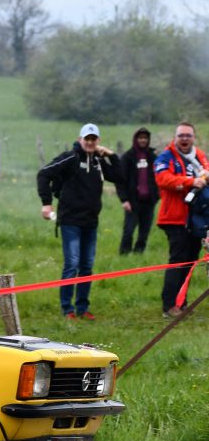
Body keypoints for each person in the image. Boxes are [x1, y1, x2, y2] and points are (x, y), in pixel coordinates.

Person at [37, 123, 121, 320]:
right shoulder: (70, 157)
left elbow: (119, 176)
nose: (90, 142)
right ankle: (68, 310)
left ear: (98, 141)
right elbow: (43, 174)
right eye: (87, 139)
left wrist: (111, 155)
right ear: (80, 139)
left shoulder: (99, 161)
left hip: (91, 222)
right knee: (72, 264)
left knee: (87, 266)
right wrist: (46, 204)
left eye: (93, 139)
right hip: (70, 221)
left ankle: (82, 308)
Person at [153, 122, 208, 318]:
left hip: (196, 219)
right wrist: (190, 182)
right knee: (177, 261)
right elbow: (163, 179)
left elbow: (206, 170)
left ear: (194, 137)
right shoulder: (166, 157)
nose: (184, 139)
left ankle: (181, 303)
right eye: (181, 135)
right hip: (174, 218)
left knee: (190, 261)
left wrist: (204, 177)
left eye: (188, 135)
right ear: (175, 137)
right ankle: (169, 306)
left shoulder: (199, 155)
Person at [116, 127, 160, 255]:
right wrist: (124, 199)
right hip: (132, 202)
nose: (143, 140)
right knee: (128, 230)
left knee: (144, 232)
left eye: (145, 138)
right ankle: (124, 254)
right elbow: (120, 180)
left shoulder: (153, 157)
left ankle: (138, 253)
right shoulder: (127, 157)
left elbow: (160, 177)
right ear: (136, 139)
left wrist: (157, 195)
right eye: (140, 138)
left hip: (149, 201)